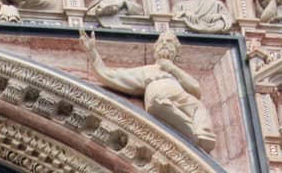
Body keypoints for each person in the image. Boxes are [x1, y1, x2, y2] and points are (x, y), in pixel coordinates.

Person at [80, 28, 216, 152]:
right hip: (158, 95)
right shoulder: (148, 70)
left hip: (177, 97)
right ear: (155, 49)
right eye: (161, 42)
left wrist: (172, 69)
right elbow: (111, 75)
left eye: (169, 42)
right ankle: (183, 125)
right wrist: (92, 53)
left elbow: (195, 89)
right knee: (161, 104)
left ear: (176, 52)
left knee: (199, 107)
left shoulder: (175, 72)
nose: (164, 44)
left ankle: (200, 133)